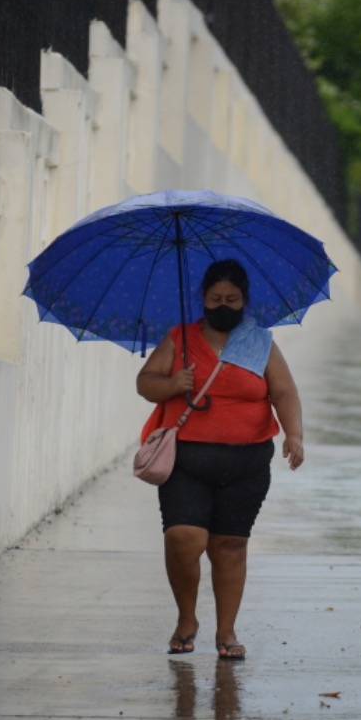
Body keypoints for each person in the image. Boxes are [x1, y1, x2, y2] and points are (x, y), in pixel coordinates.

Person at [136, 259, 305, 661]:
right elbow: (145, 382)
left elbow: (284, 392)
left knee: (230, 545)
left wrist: (294, 433)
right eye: (215, 298)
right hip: (187, 460)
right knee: (183, 537)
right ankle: (186, 619)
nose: (223, 305)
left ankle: (226, 632)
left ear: (245, 300)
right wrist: (174, 383)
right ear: (203, 300)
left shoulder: (260, 342)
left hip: (246, 463)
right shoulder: (180, 338)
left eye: (232, 298)